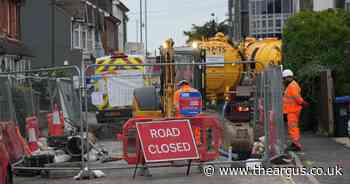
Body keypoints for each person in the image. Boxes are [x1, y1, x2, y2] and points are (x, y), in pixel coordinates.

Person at [282, 69, 309, 151]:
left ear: (288, 77)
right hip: (291, 110)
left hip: (293, 110)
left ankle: (296, 145)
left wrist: (302, 102)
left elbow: (296, 97)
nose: (284, 80)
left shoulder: (292, 86)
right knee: (292, 127)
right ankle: (294, 143)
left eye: (284, 78)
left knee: (293, 128)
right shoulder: (291, 85)